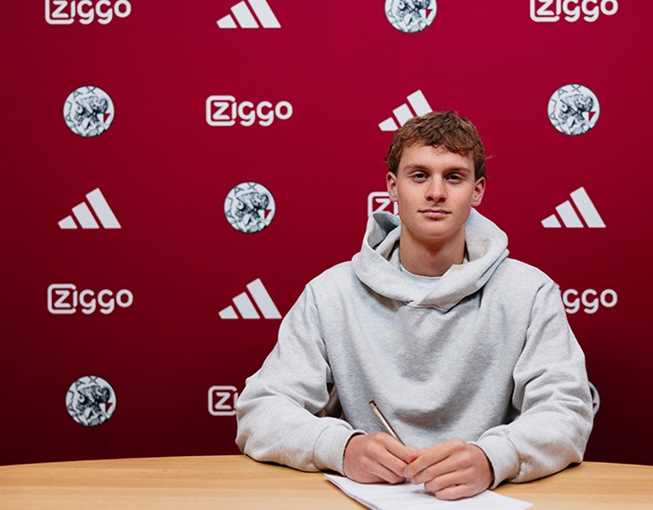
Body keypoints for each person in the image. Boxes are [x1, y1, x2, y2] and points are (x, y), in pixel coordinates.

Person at [235, 111, 593, 500]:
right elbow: (261, 409)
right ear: (393, 186)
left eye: (453, 177)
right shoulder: (330, 293)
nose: (436, 192)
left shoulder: (529, 292)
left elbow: (567, 412)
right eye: (419, 175)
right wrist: (343, 449)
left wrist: (493, 458)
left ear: (477, 191)